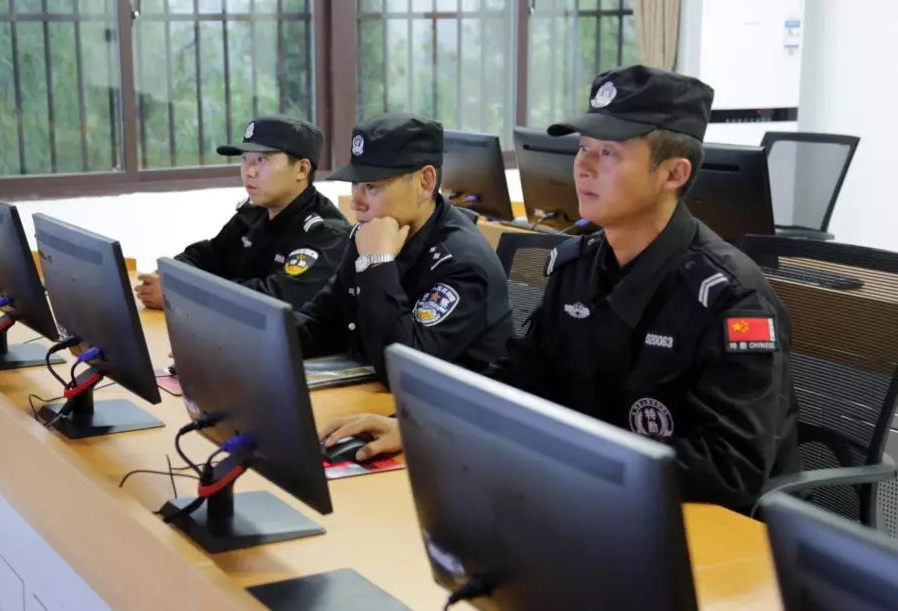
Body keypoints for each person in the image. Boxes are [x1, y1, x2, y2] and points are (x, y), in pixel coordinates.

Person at [324, 67, 800, 514]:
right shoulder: (579, 266)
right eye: (583, 149)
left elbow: (730, 469)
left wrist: (565, 458)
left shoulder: (730, 298)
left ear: (673, 174)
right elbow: (522, 376)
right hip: (587, 506)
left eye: (608, 153)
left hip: (693, 536)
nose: (584, 168)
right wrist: (425, 422)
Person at [295, 113, 513, 381]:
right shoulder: (372, 234)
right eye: (356, 184)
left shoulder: (465, 265)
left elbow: (402, 367)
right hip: (376, 395)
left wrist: (377, 262)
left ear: (425, 183)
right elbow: (321, 322)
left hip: (450, 413)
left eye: (372, 186)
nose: (356, 202)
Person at [135, 115, 349, 310]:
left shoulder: (327, 235)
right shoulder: (254, 213)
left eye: (261, 160)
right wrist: (170, 276)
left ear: (302, 169)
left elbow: (273, 301)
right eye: (245, 159)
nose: (249, 172)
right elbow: (206, 256)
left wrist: (184, 295)